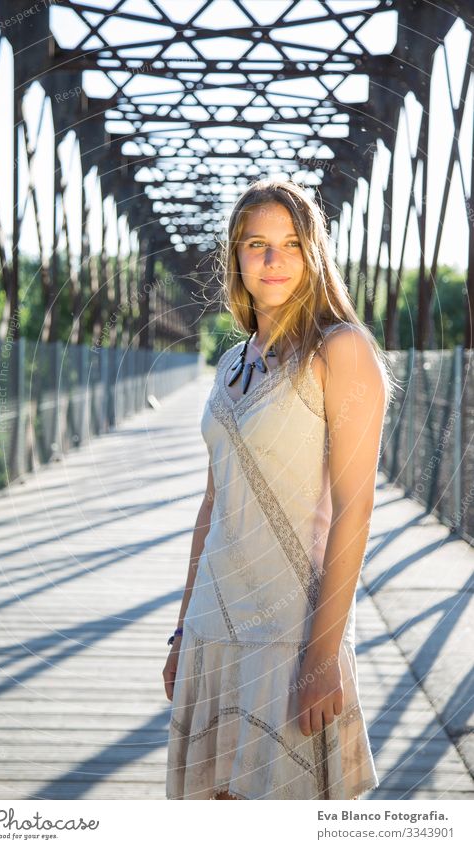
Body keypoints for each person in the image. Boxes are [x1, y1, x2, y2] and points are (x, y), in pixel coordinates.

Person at [162, 178, 394, 800]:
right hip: (214, 622)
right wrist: (183, 630)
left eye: (290, 244)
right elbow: (212, 508)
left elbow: (356, 508)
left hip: (289, 634)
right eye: (257, 244)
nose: (273, 260)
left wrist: (322, 657)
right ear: (236, 256)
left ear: (313, 253)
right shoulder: (232, 362)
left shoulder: (339, 351)